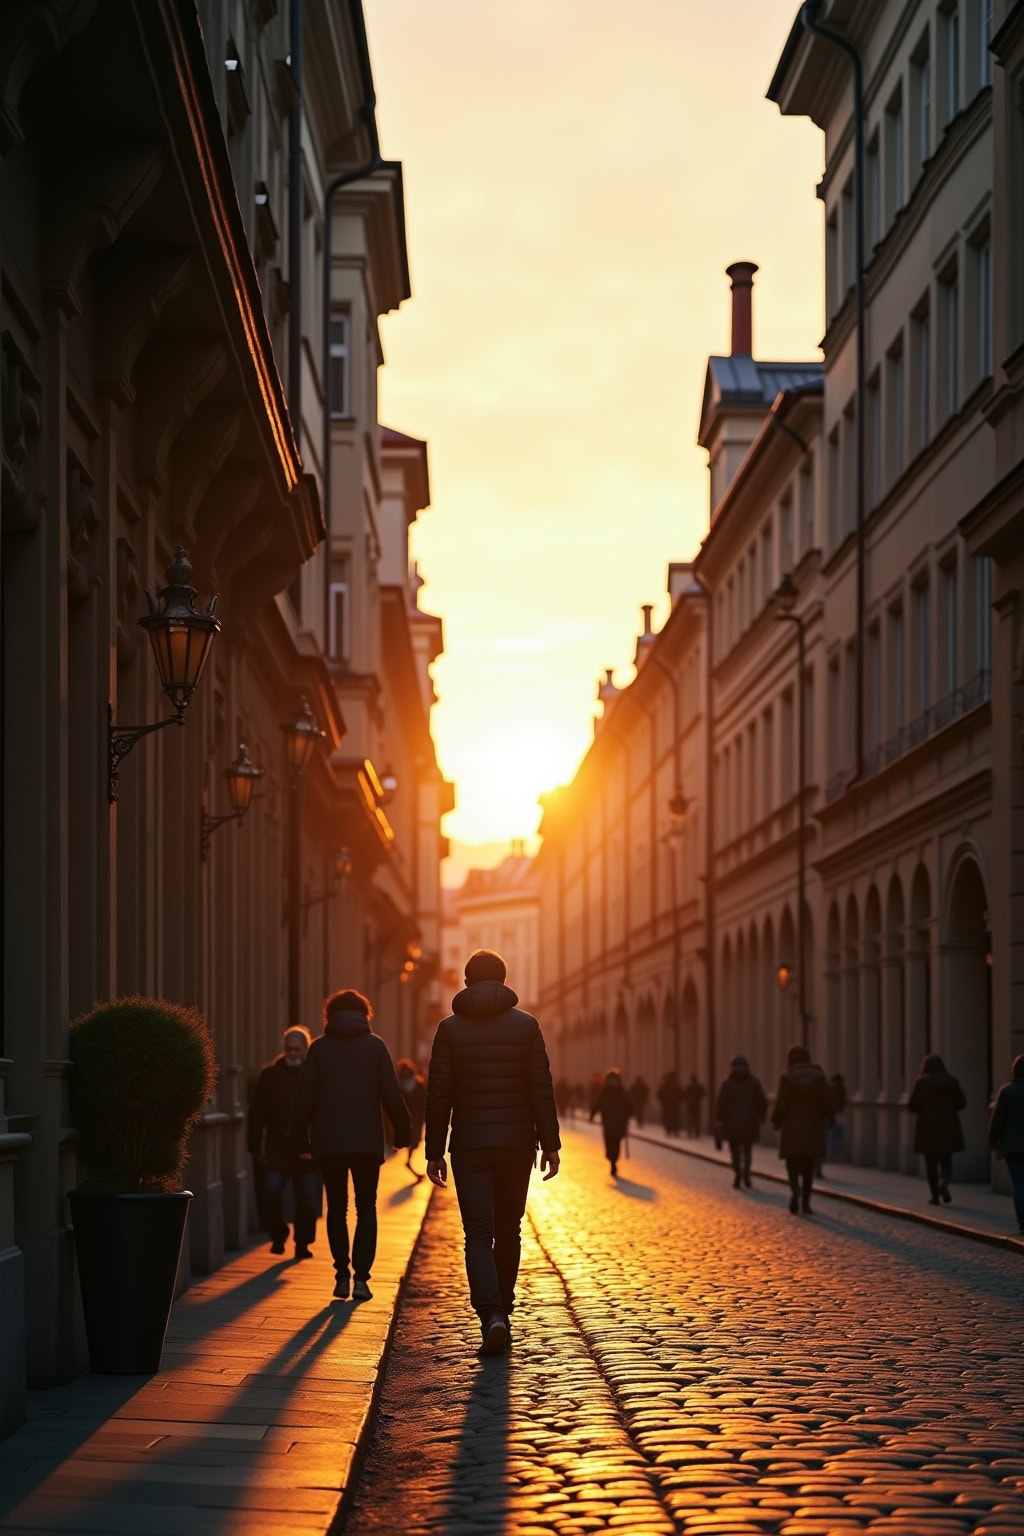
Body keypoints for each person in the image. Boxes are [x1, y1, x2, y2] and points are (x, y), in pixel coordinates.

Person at [425, 949, 560, 1357]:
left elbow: (439, 1095)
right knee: (510, 1229)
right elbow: (541, 1088)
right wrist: (550, 1144)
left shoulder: (449, 1029)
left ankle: (491, 1315)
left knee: (478, 1234)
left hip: (470, 1146)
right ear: (503, 980)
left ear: (467, 983)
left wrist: (434, 1151)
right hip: (517, 1144)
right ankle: (505, 1308)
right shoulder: (527, 1026)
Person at [289, 989, 410, 1302]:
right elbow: (391, 1093)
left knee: (337, 1208)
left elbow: (304, 1098)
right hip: (366, 1143)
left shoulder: (319, 1049)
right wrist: (403, 1130)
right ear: (364, 1015)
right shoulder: (375, 1046)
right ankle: (362, 1280)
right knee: (366, 1207)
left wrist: (300, 1137)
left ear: (329, 1016)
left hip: (330, 1142)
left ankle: (341, 1275)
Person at [247, 1026, 319, 1259]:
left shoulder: (315, 1076)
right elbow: (257, 1112)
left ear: (305, 1049)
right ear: (284, 1049)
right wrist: (255, 1146)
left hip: (307, 1151)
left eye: (297, 1049)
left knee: (307, 1200)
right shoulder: (270, 1076)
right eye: (289, 1049)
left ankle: (302, 1244)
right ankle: (278, 1235)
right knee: (271, 1194)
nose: (293, 1053)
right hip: (277, 1149)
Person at [771, 1043, 831, 1215]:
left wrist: (776, 1120)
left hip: (792, 1128)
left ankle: (795, 1190)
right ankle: (806, 1202)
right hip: (813, 1127)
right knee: (808, 1167)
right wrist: (825, 1116)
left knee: (792, 1163)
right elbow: (827, 1102)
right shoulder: (819, 1077)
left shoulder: (787, 1077)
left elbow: (782, 1103)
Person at [907, 1053, 966, 1205]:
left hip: (927, 1130)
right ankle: (944, 1180)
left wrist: (924, 1109)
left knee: (931, 1165)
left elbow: (912, 1105)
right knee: (946, 1160)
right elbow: (962, 1103)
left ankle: (935, 1196)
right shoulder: (952, 1081)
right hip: (948, 1128)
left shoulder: (921, 1083)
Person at [715, 1055, 768, 1189]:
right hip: (750, 1122)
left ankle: (738, 1173)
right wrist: (762, 1116)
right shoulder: (754, 1082)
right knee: (748, 1149)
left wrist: (719, 1118)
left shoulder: (727, 1084)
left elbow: (721, 1104)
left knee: (734, 1151)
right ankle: (747, 1174)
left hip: (731, 1124)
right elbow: (762, 1101)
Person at [989, 1054, 1024, 1234]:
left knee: (1019, 1184)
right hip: (1014, 1145)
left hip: (1013, 1146)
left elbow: (998, 1120)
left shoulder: (1007, 1091)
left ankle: (1023, 1221)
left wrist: (992, 1140)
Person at [591, 1067, 631, 1177]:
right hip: (619, 1124)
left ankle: (612, 1161)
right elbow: (629, 1106)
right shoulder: (621, 1092)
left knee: (610, 1143)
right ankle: (614, 1161)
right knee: (616, 1143)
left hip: (608, 1123)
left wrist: (592, 1115)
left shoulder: (604, 1092)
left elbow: (597, 1104)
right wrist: (630, 1113)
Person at [395, 1058, 427, 1177]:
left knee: (413, 1142)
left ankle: (408, 1162)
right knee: (414, 1141)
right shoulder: (418, 1084)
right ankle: (408, 1162)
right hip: (415, 1118)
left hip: (409, 1117)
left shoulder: (399, 1086)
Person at [657, 1069, 684, 1136]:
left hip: (667, 1105)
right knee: (674, 1117)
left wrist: (663, 1101)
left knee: (668, 1117)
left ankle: (669, 1130)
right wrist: (679, 1100)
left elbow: (659, 1095)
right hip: (673, 1104)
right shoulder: (675, 1086)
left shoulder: (665, 1086)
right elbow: (681, 1094)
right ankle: (674, 1130)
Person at [682, 1073, 706, 1138]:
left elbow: (684, 1095)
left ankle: (690, 1132)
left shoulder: (689, 1087)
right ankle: (697, 1133)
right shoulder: (699, 1086)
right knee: (697, 1119)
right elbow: (704, 1093)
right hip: (697, 1105)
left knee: (690, 1119)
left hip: (690, 1105)